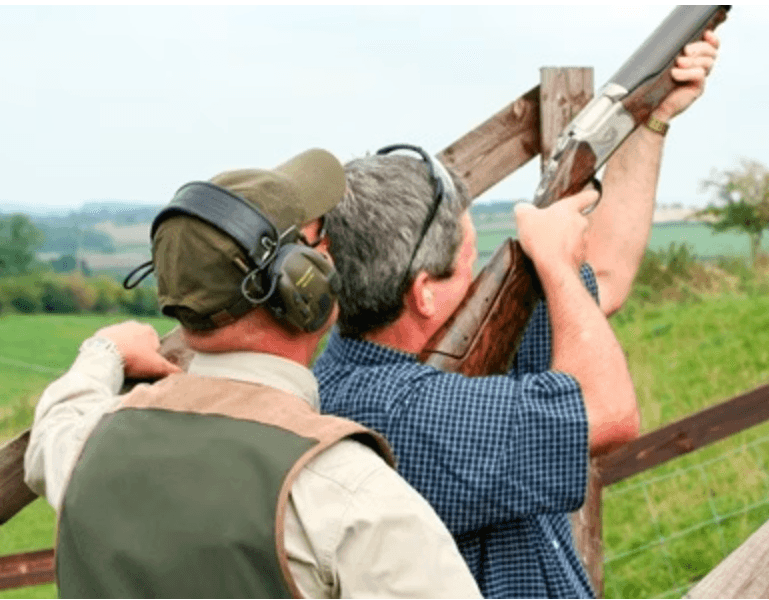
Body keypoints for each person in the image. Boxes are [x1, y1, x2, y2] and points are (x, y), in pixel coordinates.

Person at [313, 34, 720, 598]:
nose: (480, 277)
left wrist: (651, 120)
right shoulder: (405, 412)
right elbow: (609, 413)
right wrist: (551, 261)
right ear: (425, 293)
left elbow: (602, 282)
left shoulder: (384, 366)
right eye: (467, 262)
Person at [24, 149, 482, 598]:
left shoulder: (89, 445)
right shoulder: (349, 494)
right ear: (301, 282)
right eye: (322, 238)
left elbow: (55, 424)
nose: (334, 253)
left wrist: (106, 350)